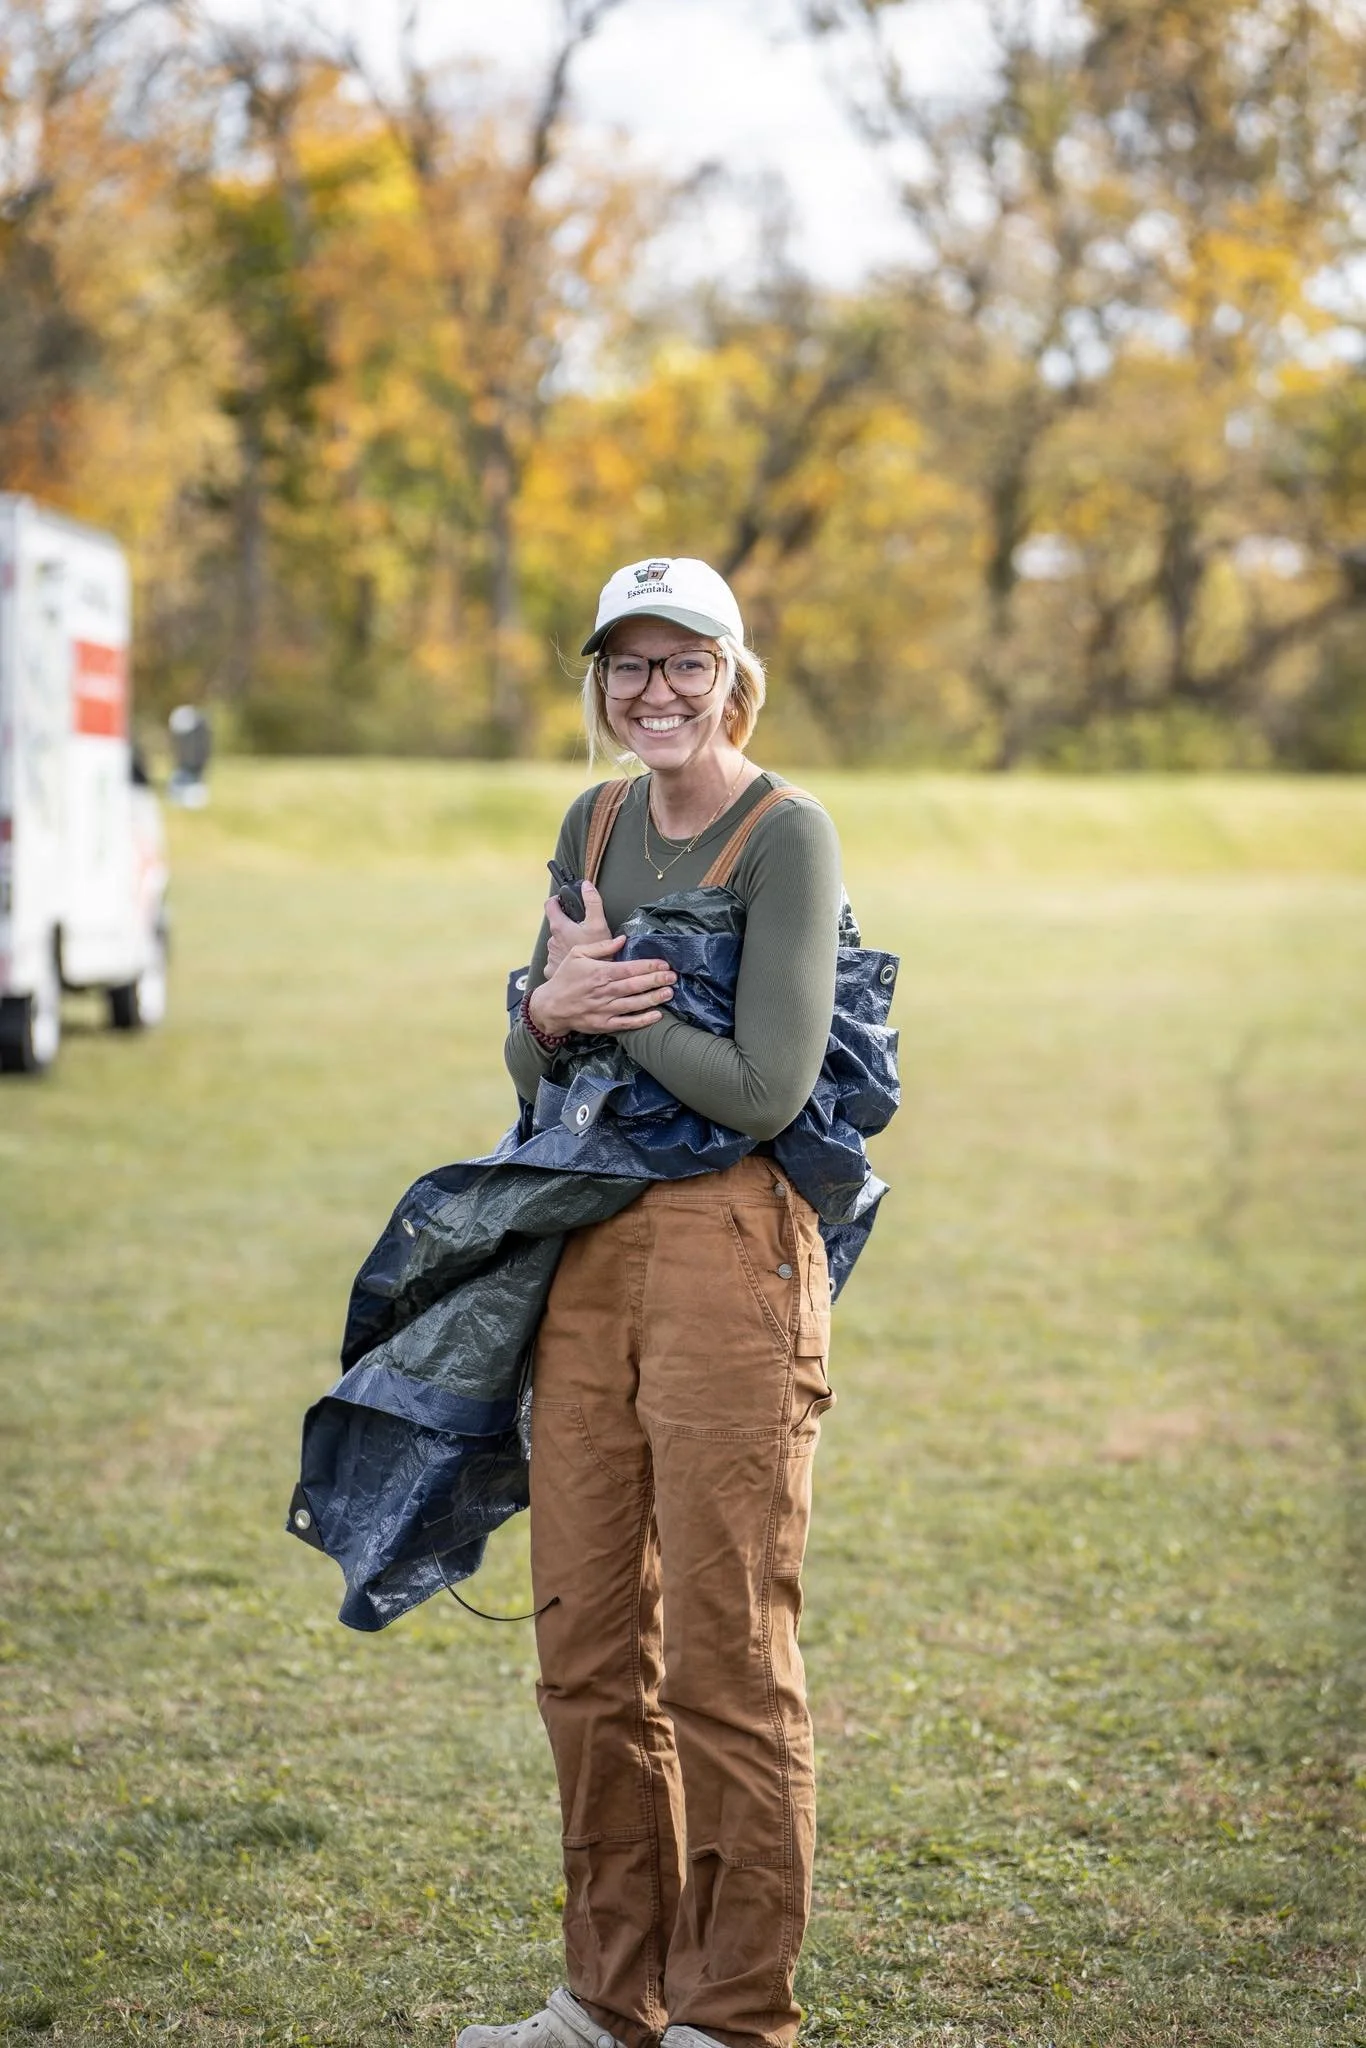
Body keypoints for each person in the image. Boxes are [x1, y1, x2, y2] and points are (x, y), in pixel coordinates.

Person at [458, 558, 845, 2048]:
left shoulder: (785, 835)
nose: (655, 693)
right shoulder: (596, 820)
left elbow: (765, 1088)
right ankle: (607, 1999)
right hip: (586, 1247)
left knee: (726, 1659)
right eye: (628, 665)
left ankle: (732, 2015)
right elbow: (536, 1061)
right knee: (585, 1642)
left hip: (730, 1258)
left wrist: (614, 1002)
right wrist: (551, 1012)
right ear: (599, 683)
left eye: (685, 664)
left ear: (731, 673)